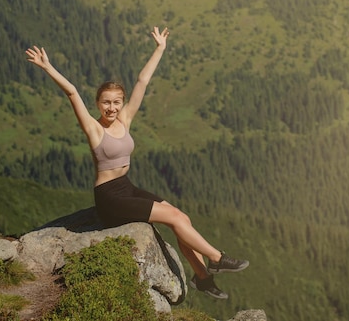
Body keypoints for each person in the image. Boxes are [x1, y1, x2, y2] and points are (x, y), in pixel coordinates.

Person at [25, 26, 248, 300]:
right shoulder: (95, 129)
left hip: (126, 187)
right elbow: (72, 93)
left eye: (116, 102)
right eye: (106, 103)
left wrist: (160, 49)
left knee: (182, 219)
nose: (112, 108)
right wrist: (47, 67)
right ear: (97, 104)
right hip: (109, 197)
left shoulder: (124, 120)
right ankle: (216, 258)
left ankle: (202, 277)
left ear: (122, 103)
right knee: (176, 219)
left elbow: (142, 82)